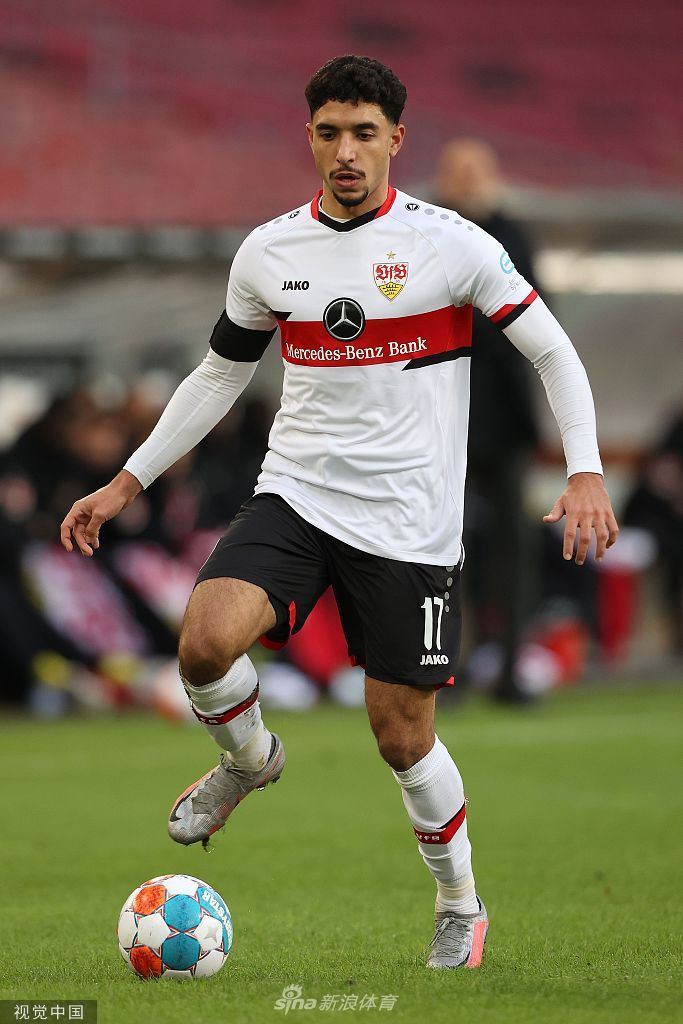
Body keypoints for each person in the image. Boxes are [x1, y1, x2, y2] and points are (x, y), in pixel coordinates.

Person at [60, 55, 619, 970]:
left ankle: (459, 902)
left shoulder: (453, 245)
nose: (346, 152)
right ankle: (247, 761)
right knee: (203, 643)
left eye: (364, 133)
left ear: (396, 138)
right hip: (297, 493)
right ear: (310, 137)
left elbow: (553, 353)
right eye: (329, 133)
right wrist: (129, 480)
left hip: (408, 522)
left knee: (401, 737)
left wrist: (585, 469)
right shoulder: (269, 252)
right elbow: (218, 376)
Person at [434, 139, 541, 701]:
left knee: (513, 551)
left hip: (505, 421)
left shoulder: (514, 235)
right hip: (444, 418)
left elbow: (536, 323)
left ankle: (510, 669)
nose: (469, 181)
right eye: (459, 171)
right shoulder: (427, 233)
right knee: (444, 550)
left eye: (477, 171)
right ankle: (445, 667)